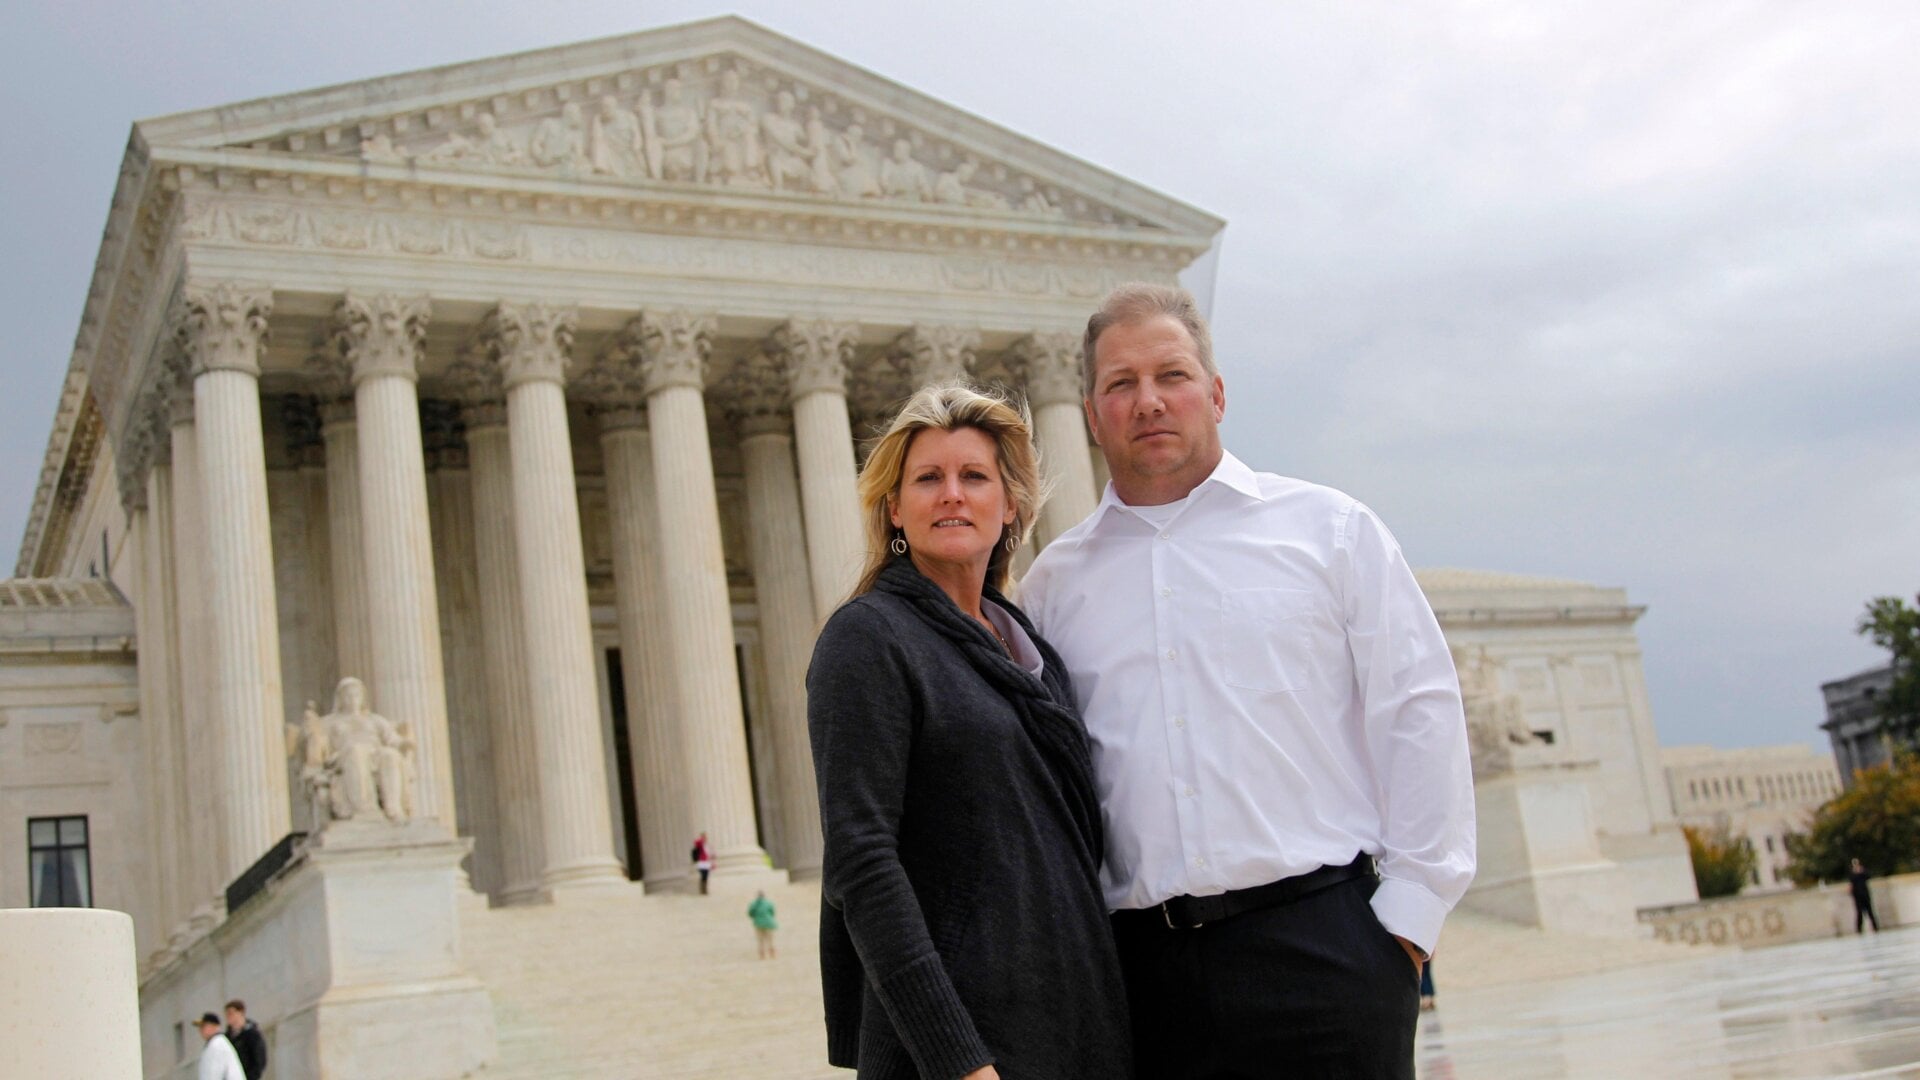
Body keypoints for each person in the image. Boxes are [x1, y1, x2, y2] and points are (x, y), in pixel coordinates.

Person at [1020, 283, 1477, 1079]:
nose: (1149, 401)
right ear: (1091, 416)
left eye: (1172, 375)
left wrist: (1405, 927)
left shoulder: (1329, 531)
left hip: (1325, 952)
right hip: (1146, 977)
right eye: (1120, 385)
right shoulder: (1055, 586)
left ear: (1217, 392)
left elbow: (1419, 712)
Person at [808, 385, 1130, 1080]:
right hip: (961, 1053)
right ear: (895, 509)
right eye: (928, 479)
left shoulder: (1034, 652)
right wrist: (959, 1061)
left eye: (974, 476)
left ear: (1010, 504)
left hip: (1075, 1030)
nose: (952, 494)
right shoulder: (868, 638)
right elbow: (862, 862)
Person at [224, 999, 267, 1080]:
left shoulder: (252, 1034)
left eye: (231, 1013)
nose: (228, 1017)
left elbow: (259, 1059)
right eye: (227, 1014)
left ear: (241, 1012)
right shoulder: (226, 1038)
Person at [195, 1012, 245, 1080]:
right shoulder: (217, 1043)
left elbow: (213, 1074)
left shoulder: (216, 1046)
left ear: (214, 1026)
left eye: (203, 1026)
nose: (200, 1030)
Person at [1849, 857, 1879, 933]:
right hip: (1857, 896)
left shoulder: (1863, 871)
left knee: (1870, 912)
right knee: (1859, 913)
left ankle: (1875, 927)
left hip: (1865, 894)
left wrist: (1861, 871)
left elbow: (1868, 876)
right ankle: (1859, 929)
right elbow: (1851, 883)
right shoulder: (1852, 873)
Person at [748, 890, 779, 959]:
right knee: (770, 940)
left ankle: (762, 955)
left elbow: (750, 914)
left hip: (758, 924)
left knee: (760, 941)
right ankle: (772, 954)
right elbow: (772, 912)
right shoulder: (769, 903)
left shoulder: (753, 904)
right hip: (769, 923)